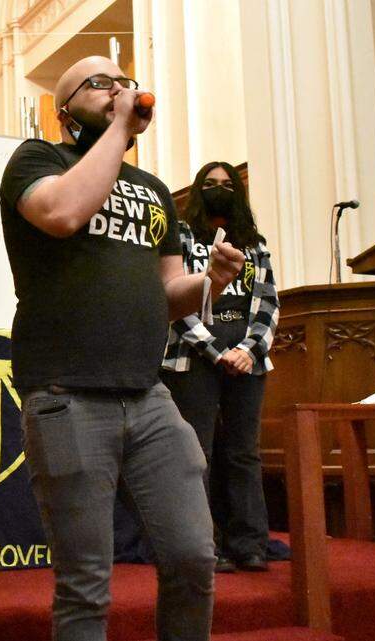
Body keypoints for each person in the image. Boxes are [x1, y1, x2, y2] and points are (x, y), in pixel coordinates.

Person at [0, 56, 245, 641]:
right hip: (65, 397)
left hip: (149, 395)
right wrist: (119, 129)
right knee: (85, 581)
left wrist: (210, 279)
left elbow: (168, 293)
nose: (118, 89)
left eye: (124, 82)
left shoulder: (153, 190)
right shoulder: (37, 161)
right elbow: (61, 214)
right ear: (63, 111)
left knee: (192, 557)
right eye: (101, 83)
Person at [161, 161, 279, 573]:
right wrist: (215, 351)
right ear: (197, 190)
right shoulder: (180, 236)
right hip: (193, 356)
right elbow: (174, 298)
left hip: (247, 359)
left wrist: (248, 349)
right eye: (210, 184)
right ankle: (203, 544)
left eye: (227, 185)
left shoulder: (255, 244)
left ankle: (249, 544)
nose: (218, 190)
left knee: (244, 453)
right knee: (198, 452)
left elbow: (267, 302)